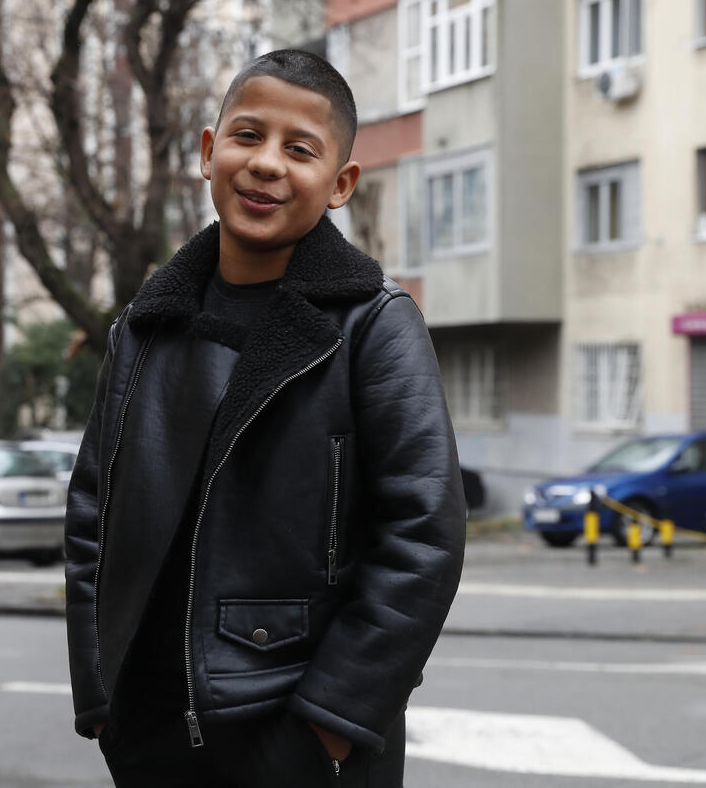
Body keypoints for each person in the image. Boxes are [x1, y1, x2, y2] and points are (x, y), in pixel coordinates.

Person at [65, 49, 465, 787]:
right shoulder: (145, 328)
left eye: (300, 149)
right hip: (148, 731)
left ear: (341, 183)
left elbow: (423, 535)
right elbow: (93, 512)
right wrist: (98, 693)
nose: (266, 164)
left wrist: (330, 726)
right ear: (208, 151)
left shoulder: (372, 324)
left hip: (299, 733)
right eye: (247, 136)